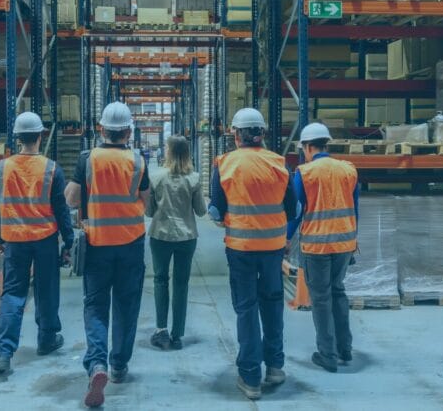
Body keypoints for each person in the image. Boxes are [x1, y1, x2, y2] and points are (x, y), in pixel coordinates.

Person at [64, 102, 150, 408]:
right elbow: (147, 202)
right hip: (131, 244)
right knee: (126, 307)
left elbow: (72, 198)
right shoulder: (139, 160)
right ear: (128, 130)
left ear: (101, 129)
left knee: (96, 307)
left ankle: (97, 364)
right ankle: (119, 366)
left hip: (97, 243)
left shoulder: (88, 158)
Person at [208, 108, 298, 401]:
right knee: (272, 303)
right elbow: (293, 209)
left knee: (246, 309)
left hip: (241, 249)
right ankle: (274, 367)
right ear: (262, 134)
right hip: (273, 248)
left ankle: (250, 378)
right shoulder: (279, 163)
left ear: (236, 135)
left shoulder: (224, 164)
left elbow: (216, 213)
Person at [0, 111, 75, 375]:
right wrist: (68, 242)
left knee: (13, 294)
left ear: (18, 137)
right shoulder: (51, 168)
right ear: (40, 135)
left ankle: (3, 353)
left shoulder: (2, 168)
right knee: (47, 292)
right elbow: (62, 210)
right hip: (45, 240)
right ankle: (47, 340)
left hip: (14, 241)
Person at [286, 122, 359, 373]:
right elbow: (355, 207)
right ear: (326, 144)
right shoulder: (348, 170)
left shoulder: (304, 173)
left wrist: (286, 239)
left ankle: (327, 354)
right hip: (345, 242)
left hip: (317, 245)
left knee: (320, 299)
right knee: (338, 291)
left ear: (307, 147)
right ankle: (345, 348)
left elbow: (295, 212)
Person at [146, 135, 207, 351]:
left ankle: (161, 330)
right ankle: (177, 335)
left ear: (169, 152)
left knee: (160, 280)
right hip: (186, 237)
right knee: (181, 284)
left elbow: (149, 211)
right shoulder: (194, 178)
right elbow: (201, 211)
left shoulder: (156, 177)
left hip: (160, 236)